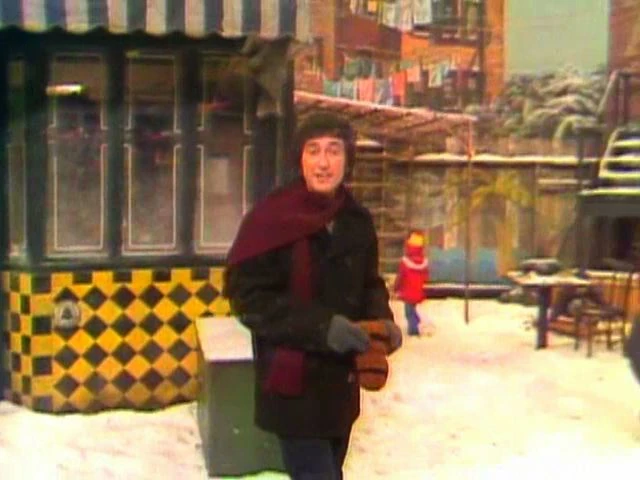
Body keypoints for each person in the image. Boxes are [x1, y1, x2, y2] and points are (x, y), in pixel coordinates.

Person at [223, 113, 402, 480]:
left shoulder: (356, 220)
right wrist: (323, 328)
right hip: (293, 387)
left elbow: (369, 283)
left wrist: (382, 323)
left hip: (340, 388)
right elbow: (249, 298)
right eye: (314, 150)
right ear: (299, 159)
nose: (323, 162)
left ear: (348, 160)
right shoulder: (271, 218)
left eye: (334, 151)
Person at [393, 230, 432, 336]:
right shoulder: (424, 262)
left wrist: (396, 287)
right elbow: (426, 277)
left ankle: (413, 329)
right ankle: (417, 322)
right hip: (418, 291)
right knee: (412, 309)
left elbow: (400, 277)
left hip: (408, 292)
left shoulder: (405, 262)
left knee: (409, 312)